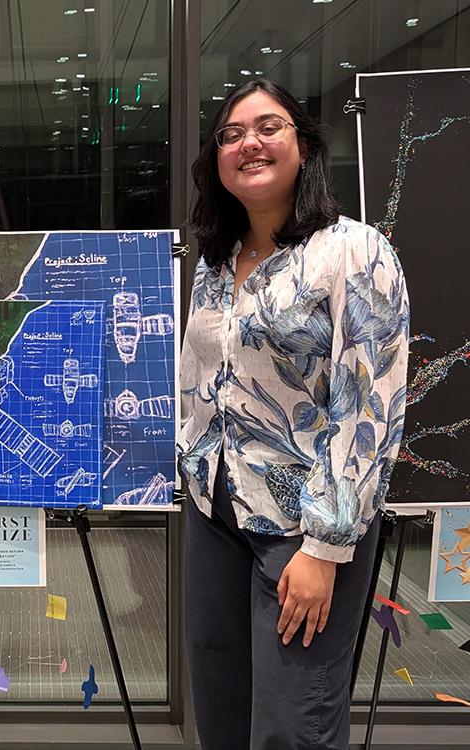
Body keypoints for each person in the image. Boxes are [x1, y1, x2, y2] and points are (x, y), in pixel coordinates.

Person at [178, 79, 409, 749]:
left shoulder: (352, 252)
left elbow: (371, 404)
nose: (248, 142)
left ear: (305, 147)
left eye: (268, 126)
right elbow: (202, 377)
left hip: (303, 529)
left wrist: (324, 548)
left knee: (293, 725)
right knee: (221, 712)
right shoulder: (216, 263)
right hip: (214, 511)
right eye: (230, 133)